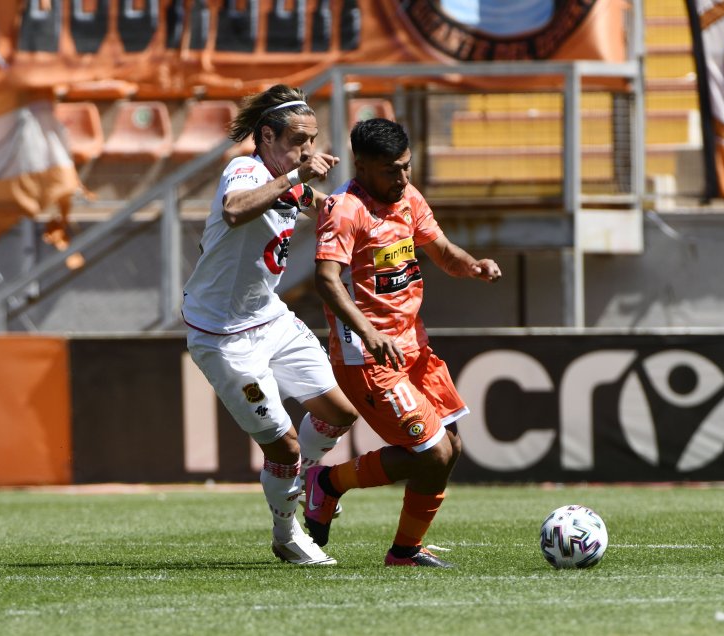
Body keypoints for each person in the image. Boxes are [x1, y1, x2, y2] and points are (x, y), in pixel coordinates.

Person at [306, 118, 502, 567]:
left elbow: (443, 251)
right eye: (391, 171)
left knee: (450, 448)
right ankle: (329, 484)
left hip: (414, 349)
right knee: (430, 453)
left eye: (406, 167)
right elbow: (326, 280)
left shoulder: (408, 199)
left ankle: (405, 551)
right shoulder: (345, 209)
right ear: (363, 165)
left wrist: (473, 266)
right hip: (366, 357)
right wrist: (369, 334)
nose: (403, 178)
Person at [183, 85, 358, 566]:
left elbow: (320, 204)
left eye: (312, 139)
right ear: (266, 136)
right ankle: (286, 532)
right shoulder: (244, 170)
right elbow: (236, 210)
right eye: (298, 139)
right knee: (283, 445)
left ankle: (299, 482)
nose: (307, 149)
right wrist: (298, 175)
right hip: (224, 336)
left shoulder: (288, 175)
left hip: (270, 317)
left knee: (341, 413)